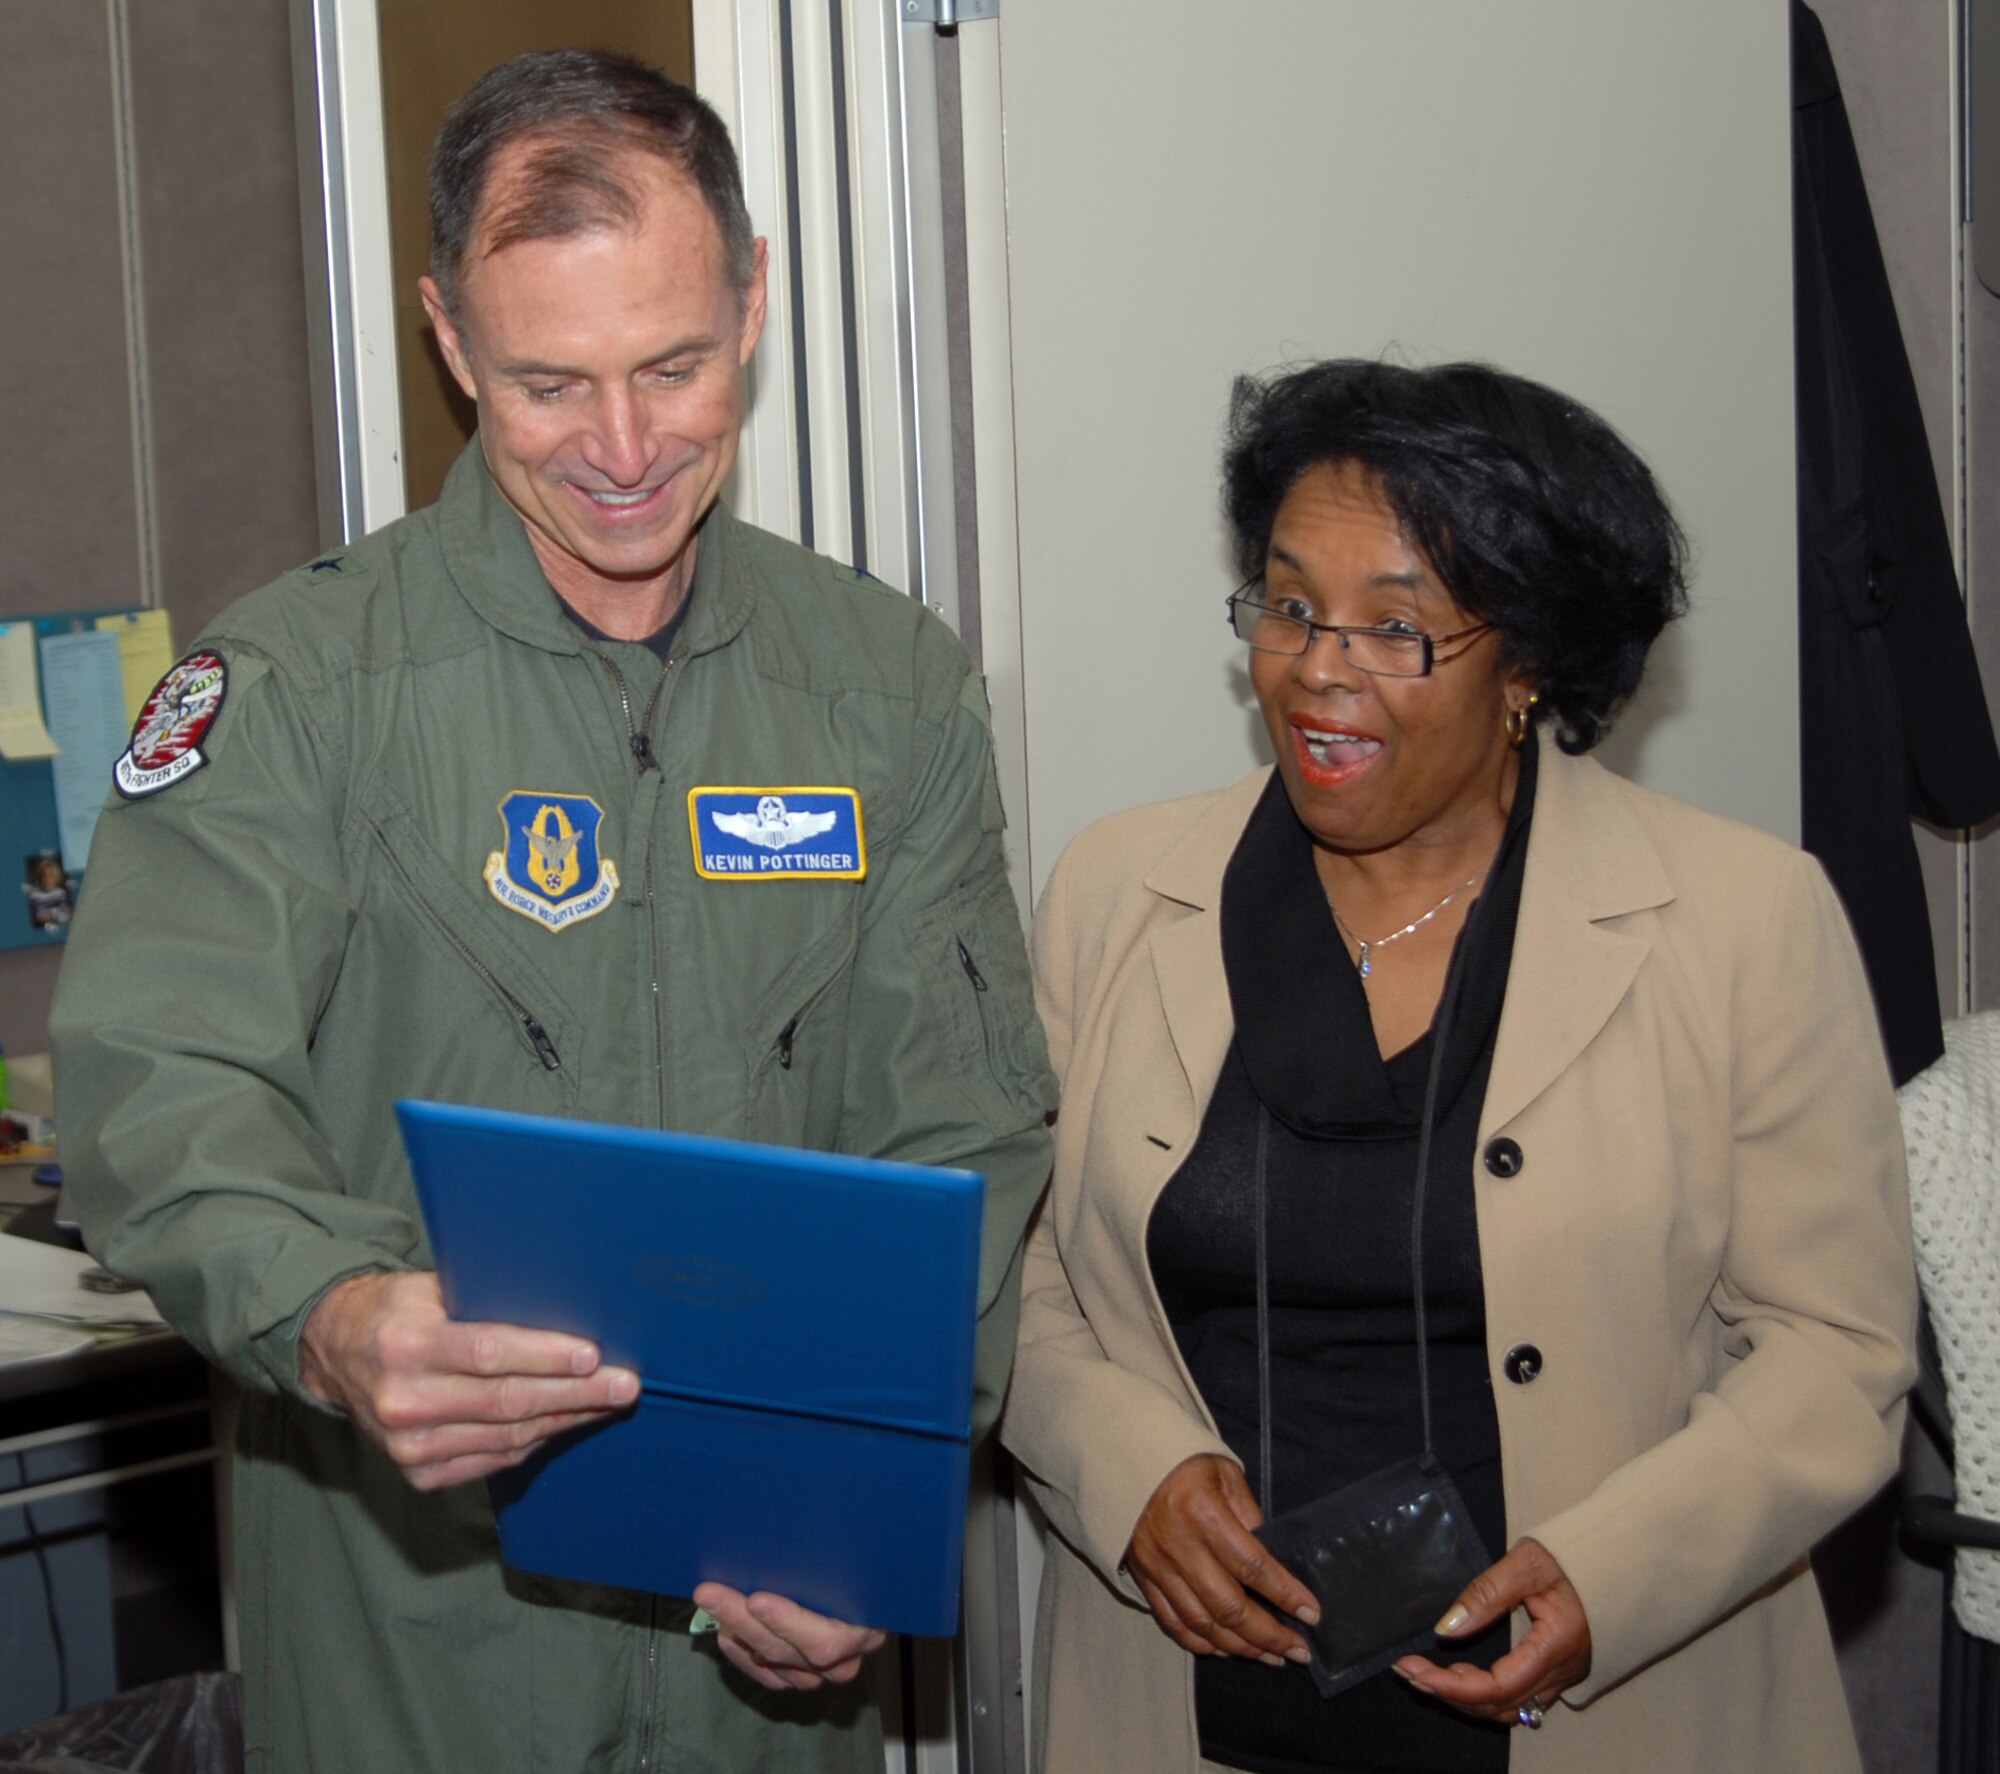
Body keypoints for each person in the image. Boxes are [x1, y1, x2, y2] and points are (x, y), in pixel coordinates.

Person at [51, 50, 1053, 1774]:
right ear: (449, 342)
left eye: (673, 367)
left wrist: (865, 1487)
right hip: (419, 1652)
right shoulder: (296, 688)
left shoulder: (883, 689)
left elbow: (960, 1132)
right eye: (547, 384)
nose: (621, 451)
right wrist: (335, 1312)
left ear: (753, 304)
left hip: (771, 1656)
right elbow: (159, 1092)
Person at [1001, 360, 1914, 1773]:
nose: (1318, 665)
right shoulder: (1119, 891)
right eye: (1290, 604)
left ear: (1530, 664)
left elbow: (1838, 1350)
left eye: (1396, 628)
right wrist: (1125, 1475)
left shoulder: (1742, 917)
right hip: (1192, 1710)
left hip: (1613, 1709)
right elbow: (1025, 1280)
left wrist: (1614, 1573)